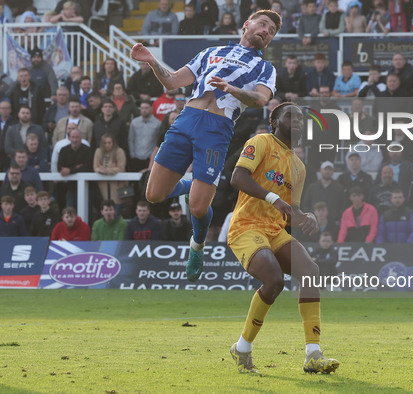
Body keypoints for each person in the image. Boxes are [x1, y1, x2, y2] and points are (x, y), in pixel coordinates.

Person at [131, 9, 282, 280]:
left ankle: (197, 245)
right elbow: (173, 81)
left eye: (271, 31)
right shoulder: (211, 52)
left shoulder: (265, 68)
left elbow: (260, 100)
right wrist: (152, 61)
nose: (265, 31)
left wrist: (232, 89)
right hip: (187, 119)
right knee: (153, 195)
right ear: (247, 24)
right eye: (263, 24)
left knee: (199, 208)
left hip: (217, 129)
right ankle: (193, 185)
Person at [227, 103, 339, 374]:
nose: (298, 121)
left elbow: (290, 211)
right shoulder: (261, 142)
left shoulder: (298, 166)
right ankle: (242, 347)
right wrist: (273, 197)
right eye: (291, 116)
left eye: (301, 118)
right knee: (274, 279)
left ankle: (313, 354)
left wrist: (305, 217)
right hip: (247, 227)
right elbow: (237, 177)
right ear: (274, 121)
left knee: (310, 272)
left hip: (275, 230)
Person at [57, 128, 93, 209]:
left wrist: (70, 170)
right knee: (69, 210)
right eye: (73, 137)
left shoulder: (88, 150)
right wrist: (77, 168)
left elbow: (88, 168)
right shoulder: (64, 150)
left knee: (86, 210)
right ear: (69, 138)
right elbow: (60, 168)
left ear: (81, 138)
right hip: (70, 187)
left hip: (86, 187)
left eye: (77, 137)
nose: (75, 140)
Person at [93, 133, 127, 212]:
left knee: (116, 210)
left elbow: (121, 168)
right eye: (105, 143)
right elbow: (96, 167)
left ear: (113, 143)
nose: (107, 145)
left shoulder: (119, 151)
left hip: (117, 186)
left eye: (109, 143)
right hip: (103, 186)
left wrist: (107, 170)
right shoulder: (98, 151)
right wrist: (100, 170)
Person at [128, 100, 160, 173]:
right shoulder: (134, 122)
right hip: (136, 158)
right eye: (142, 108)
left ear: (151, 109)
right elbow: (131, 139)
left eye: (146, 108)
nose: (144, 110)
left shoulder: (158, 123)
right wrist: (132, 155)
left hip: (150, 158)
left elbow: (158, 141)